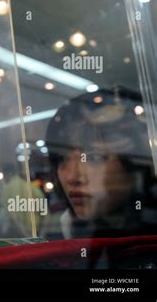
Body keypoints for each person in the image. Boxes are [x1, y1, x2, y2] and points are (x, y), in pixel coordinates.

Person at [45, 87, 157, 239]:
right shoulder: (58, 230)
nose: (73, 176)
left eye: (94, 158)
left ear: (136, 166)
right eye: (61, 158)